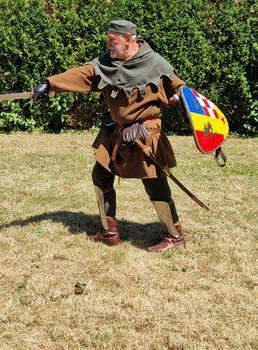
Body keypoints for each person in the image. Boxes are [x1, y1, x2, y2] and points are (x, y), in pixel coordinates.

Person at [33, 20, 186, 252]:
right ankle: (109, 231)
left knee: (156, 185)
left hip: (146, 135)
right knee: (101, 175)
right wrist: (49, 84)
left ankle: (174, 235)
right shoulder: (107, 63)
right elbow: (83, 74)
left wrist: (199, 122)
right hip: (118, 134)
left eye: (112, 40)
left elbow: (181, 91)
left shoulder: (155, 63)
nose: (108, 45)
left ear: (128, 39)